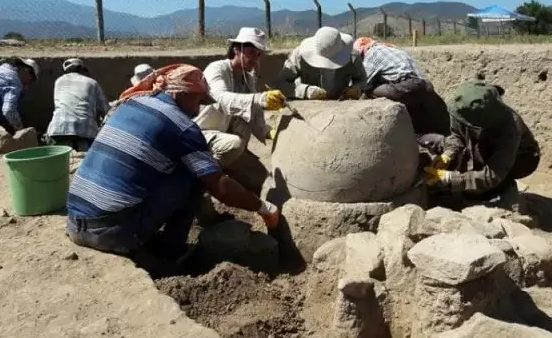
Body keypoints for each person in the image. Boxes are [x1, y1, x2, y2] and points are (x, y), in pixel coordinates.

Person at [65, 63, 281, 266]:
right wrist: (263, 208)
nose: (198, 111)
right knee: (195, 177)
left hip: (75, 221)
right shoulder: (182, 126)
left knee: (172, 169)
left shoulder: (132, 104)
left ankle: (151, 236)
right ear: (180, 93)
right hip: (111, 233)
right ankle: (170, 256)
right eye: (197, 101)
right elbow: (220, 187)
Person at [417, 79, 541, 210]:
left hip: (523, 158)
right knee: (441, 144)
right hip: (484, 144)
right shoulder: (462, 107)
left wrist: (450, 178)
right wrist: (447, 155)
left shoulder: (510, 128)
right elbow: (457, 136)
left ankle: (501, 190)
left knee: (481, 185)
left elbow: (492, 175)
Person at [194, 27, 285, 168]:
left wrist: (268, 131)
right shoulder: (217, 69)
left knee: (260, 180)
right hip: (202, 137)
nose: (255, 58)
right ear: (237, 49)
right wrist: (259, 99)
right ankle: (203, 176)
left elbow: (255, 115)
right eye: (251, 53)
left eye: (259, 54)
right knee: (234, 144)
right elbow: (220, 99)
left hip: (226, 140)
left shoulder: (247, 79)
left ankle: (223, 170)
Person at [353, 37, 450, 136]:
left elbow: (365, 82)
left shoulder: (371, 53)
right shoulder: (394, 48)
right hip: (426, 87)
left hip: (407, 86)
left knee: (370, 89)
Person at [276, 26, 366, 100]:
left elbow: (362, 79)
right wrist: (305, 91)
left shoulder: (352, 56)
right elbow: (281, 83)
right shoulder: (299, 56)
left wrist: (357, 89)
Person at [45, 58, 109, 153]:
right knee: (84, 162)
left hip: (57, 129)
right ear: (83, 69)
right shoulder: (92, 82)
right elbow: (105, 111)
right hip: (85, 130)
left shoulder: (58, 81)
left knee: (61, 162)